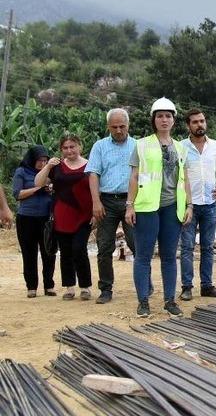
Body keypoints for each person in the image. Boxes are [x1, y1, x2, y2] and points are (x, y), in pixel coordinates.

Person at [125, 97, 192, 318]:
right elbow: (134, 177)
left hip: (172, 208)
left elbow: (185, 179)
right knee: (143, 256)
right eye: (160, 116)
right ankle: (143, 301)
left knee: (169, 256)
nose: (164, 120)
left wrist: (189, 205)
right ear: (154, 120)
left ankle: (170, 301)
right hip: (147, 207)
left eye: (168, 116)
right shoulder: (141, 145)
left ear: (174, 120)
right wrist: (129, 206)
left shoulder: (181, 148)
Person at [179, 109, 216, 301]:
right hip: (188, 205)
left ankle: (207, 286)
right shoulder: (181, 147)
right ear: (188, 125)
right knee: (186, 247)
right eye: (195, 122)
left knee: (208, 247)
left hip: (210, 204)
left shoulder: (215, 146)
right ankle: (186, 287)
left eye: (202, 121)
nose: (199, 125)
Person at [86, 108, 137, 304]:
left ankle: (144, 285)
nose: (118, 130)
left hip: (130, 201)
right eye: (114, 127)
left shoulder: (137, 146)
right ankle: (106, 289)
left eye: (122, 126)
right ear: (108, 126)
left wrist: (134, 203)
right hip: (106, 201)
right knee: (104, 247)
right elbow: (93, 174)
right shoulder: (99, 146)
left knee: (137, 245)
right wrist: (96, 202)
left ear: (128, 125)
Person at [34, 134, 93, 301]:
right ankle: (69, 287)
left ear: (79, 146)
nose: (69, 150)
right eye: (65, 148)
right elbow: (38, 183)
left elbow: (97, 188)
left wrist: (97, 210)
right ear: (61, 150)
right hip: (61, 214)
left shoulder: (90, 165)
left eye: (72, 147)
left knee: (79, 249)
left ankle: (85, 287)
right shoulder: (57, 167)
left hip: (84, 215)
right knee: (66, 252)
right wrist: (47, 167)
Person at [12, 145, 56, 298]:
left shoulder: (50, 172)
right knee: (29, 253)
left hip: (46, 218)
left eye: (45, 160)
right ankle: (31, 286)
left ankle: (49, 285)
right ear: (32, 160)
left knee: (48, 252)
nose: (42, 164)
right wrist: (37, 189)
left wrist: (50, 189)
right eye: (39, 161)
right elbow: (17, 194)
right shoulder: (22, 172)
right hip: (26, 218)